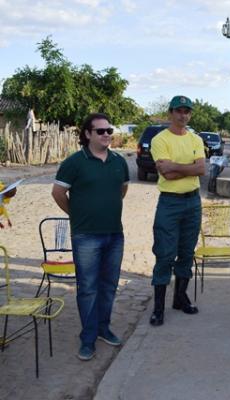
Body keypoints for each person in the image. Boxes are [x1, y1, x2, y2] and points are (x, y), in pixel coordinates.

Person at [51, 113, 129, 361]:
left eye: (109, 130)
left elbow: (122, 190)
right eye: (100, 131)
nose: (107, 134)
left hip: (115, 234)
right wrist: (78, 214)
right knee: (87, 289)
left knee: (109, 286)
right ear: (87, 134)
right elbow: (58, 193)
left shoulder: (119, 161)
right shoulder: (74, 162)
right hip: (86, 236)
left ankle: (103, 328)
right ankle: (88, 337)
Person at [149, 96, 205, 327]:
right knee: (164, 253)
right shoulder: (159, 140)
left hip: (192, 202)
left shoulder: (196, 139)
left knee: (186, 251)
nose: (183, 115)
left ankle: (180, 298)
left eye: (187, 112)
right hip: (170, 203)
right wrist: (188, 169)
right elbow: (167, 175)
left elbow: (202, 168)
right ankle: (158, 309)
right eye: (179, 111)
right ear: (170, 113)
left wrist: (175, 166)